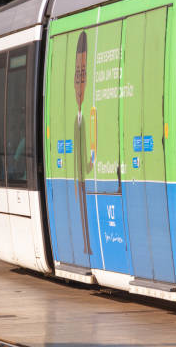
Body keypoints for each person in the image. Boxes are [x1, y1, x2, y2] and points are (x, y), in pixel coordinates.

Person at [73, 31, 93, 255]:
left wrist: (91, 161)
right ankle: (85, 245)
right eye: (77, 75)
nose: (80, 81)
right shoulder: (77, 120)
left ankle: (87, 245)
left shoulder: (84, 118)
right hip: (79, 178)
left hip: (83, 176)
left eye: (83, 75)